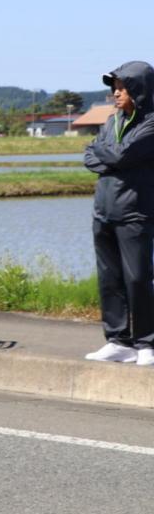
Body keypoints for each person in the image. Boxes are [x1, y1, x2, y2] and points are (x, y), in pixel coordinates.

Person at [83, 61, 154, 365]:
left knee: (138, 278)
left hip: (135, 213)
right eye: (114, 87)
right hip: (104, 211)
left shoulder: (151, 123)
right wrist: (108, 154)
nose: (116, 93)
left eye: (122, 87)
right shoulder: (111, 122)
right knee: (109, 279)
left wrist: (107, 153)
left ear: (139, 89)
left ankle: (147, 343)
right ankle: (118, 340)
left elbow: (121, 154)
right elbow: (90, 155)